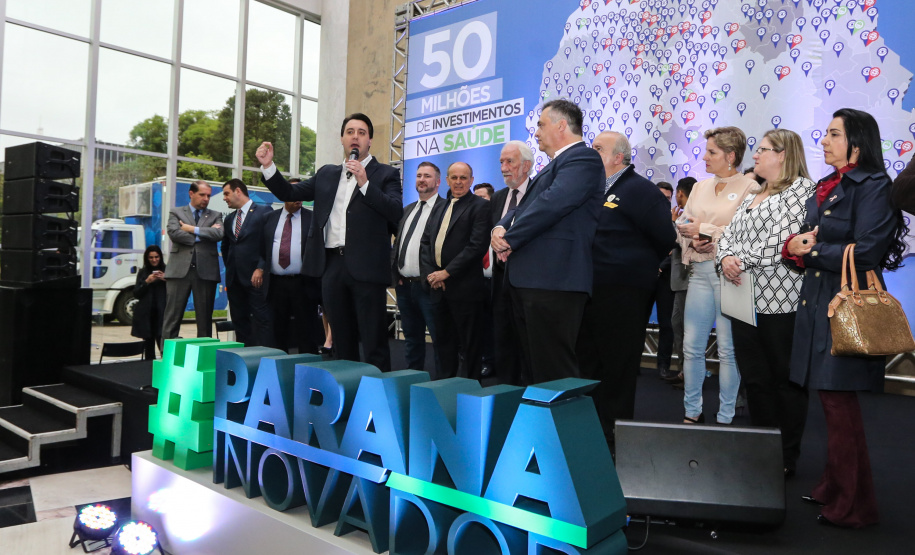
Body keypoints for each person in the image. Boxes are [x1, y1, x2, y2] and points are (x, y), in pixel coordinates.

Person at [784, 108, 908, 528]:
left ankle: (855, 506)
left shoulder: (874, 185)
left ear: (856, 141)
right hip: (818, 302)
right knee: (829, 402)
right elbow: (804, 237)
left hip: (844, 306)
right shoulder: (825, 185)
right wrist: (797, 247)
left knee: (839, 406)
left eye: (834, 134)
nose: (823, 140)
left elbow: (869, 249)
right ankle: (833, 486)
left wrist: (810, 251)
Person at [256, 113, 403, 372]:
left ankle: (378, 398)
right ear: (342, 139)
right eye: (349, 132)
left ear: (369, 140)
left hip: (367, 268)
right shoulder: (327, 174)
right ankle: (346, 396)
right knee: (342, 340)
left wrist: (365, 183)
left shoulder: (386, 174)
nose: (355, 136)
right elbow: (290, 192)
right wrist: (269, 167)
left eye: (361, 132)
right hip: (332, 265)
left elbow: (395, 212)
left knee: (373, 340)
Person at [717, 129, 816, 477]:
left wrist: (736, 259)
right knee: (756, 380)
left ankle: (785, 456)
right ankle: (761, 448)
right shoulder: (755, 192)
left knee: (785, 381)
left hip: (782, 302)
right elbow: (728, 234)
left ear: (784, 155)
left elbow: (785, 241)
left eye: (763, 150)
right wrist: (725, 256)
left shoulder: (802, 190)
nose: (755, 155)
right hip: (743, 300)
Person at [491, 99, 604, 384]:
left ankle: (563, 429)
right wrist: (500, 228)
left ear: (561, 125)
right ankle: (541, 428)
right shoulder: (555, 165)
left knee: (554, 371)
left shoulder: (583, 159)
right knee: (535, 369)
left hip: (554, 281)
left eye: (541, 124)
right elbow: (524, 206)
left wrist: (510, 239)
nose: (537, 131)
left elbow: (552, 204)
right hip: (534, 281)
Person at [577, 131, 676, 438]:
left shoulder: (641, 191)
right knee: (588, 362)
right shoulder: (590, 189)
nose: (591, 153)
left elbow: (665, 238)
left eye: (598, 149)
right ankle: (589, 428)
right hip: (589, 289)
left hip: (624, 292)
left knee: (618, 365)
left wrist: (635, 266)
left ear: (617, 157)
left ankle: (614, 433)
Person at [676, 126, 756, 424]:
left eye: (712, 152)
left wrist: (706, 231)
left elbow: (745, 233)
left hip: (730, 275)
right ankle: (691, 411)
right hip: (698, 271)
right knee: (692, 346)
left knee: (728, 349)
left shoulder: (750, 188)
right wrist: (691, 238)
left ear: (731, 156)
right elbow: (683, 224)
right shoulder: (699, 187)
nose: (705, 157)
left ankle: (725, 415)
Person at [420, 161, 490, 380]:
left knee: (470, 348)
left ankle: (469, 393)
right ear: (447, 180)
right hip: (438, 289)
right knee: (443, 346)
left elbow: (476, 246)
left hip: (466, 290)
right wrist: (433, 274)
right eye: (454, 177)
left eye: (463, 178)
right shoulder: (439, 206)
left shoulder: (480, 206)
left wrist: (447, 272)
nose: (458, 182)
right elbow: (426, 242)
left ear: (471, 180)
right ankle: (444, 391)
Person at [490, 140, 534, 386]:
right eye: (501, 162)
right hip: (500, 283)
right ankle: (505, 395)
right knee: (503, 344)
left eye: (510, 162)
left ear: (526, 165)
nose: (504, 167)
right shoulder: (498, 198)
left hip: (529, 283)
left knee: (529, 347)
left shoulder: (540, 192)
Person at [392, 161, 443, 371]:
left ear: (438, 182)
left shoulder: (445, 209)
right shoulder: (408, 209)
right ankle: (413, 380)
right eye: (419, 175)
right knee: (411, 340)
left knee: (440, 340)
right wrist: (397, 275)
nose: (422, 179)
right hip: (405, 287)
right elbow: (399, 243)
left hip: (430, 287)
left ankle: (442, 385)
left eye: (427, 176)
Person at [264, 193, 323, 354]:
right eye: (294, 194)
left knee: (306, 329)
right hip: (276, 283)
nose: (299, 198)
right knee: (277, 329)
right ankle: (278, 367)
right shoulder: (270, 218)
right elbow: (263, 247)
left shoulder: (312, 218)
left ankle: (308, 369)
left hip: (303, 282)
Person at [163, 181, 224, 339]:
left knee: (204, 319)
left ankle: (203, 354)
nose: (206, 199)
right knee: (172, 316)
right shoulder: (176, 212)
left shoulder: (215, 215)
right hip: (178, 271)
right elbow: (174, 233)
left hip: (206, 272)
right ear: (191, 193)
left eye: (208, 195)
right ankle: (166, 354)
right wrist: (204, 234)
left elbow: (218, 235)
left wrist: (192, 230)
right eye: (202, 194)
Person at [221, 179, 272, 347]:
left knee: (261, 320)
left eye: (226, 193)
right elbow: (226, 247)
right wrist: (231, 269)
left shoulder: (264, 212)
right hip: (234, 280)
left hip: (255, 278)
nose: (224, 198)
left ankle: (264, 357)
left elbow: (270, 243)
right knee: (239, 321)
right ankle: (245, 358)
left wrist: (260, 267)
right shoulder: (229, 219)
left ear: (238, 191)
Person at [665, 177, 697, 387]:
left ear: (680, 193)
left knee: (687, 328)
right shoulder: (683, 215)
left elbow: (678, 241)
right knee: (678, 324)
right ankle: (683, 370)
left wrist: (673, 224)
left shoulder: (691, 217)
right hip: (680, 281)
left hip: (689, 279)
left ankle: (690, 374)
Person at [654, 181, 677, 380]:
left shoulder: (677, 222)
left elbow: (675, 250)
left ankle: (663, 365)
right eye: (661, 196)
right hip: (644, 275)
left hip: (666, 278)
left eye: (668, 198)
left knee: (667, 324)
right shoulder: (643, 217)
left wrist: (662, 265)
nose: (665, 201)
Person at [131, 245, 167, 359]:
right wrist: (147, 281)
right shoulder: (143, 272)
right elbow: (136, 293)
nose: (154, 260)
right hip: (147, 316)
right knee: (149, 349)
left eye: (156, 257)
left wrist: (167, 279)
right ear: (147, 258)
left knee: (164, 348)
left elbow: (176, 291)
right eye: (151, 257)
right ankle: (149, 369)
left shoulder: (167, 270)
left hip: (162, 314)